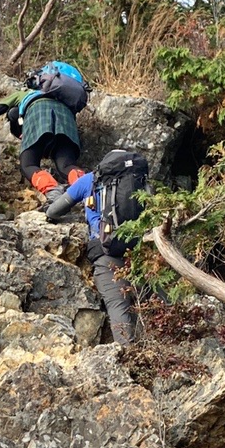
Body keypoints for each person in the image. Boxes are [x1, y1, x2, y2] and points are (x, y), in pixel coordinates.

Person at [45, 148, 149, 346]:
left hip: (106, 251)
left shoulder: (90, 180)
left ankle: (128, 354)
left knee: (118, 305)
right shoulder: (139, 180)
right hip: (142, 250)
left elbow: (54, 210)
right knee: (154, 303)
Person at [0, 60, 89, 197]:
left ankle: (52, 191)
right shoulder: (66, 100)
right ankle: (88, 189)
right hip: (66, 122)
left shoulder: (26, 92)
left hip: (37, 116)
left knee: (28, 165)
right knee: (66, 166)